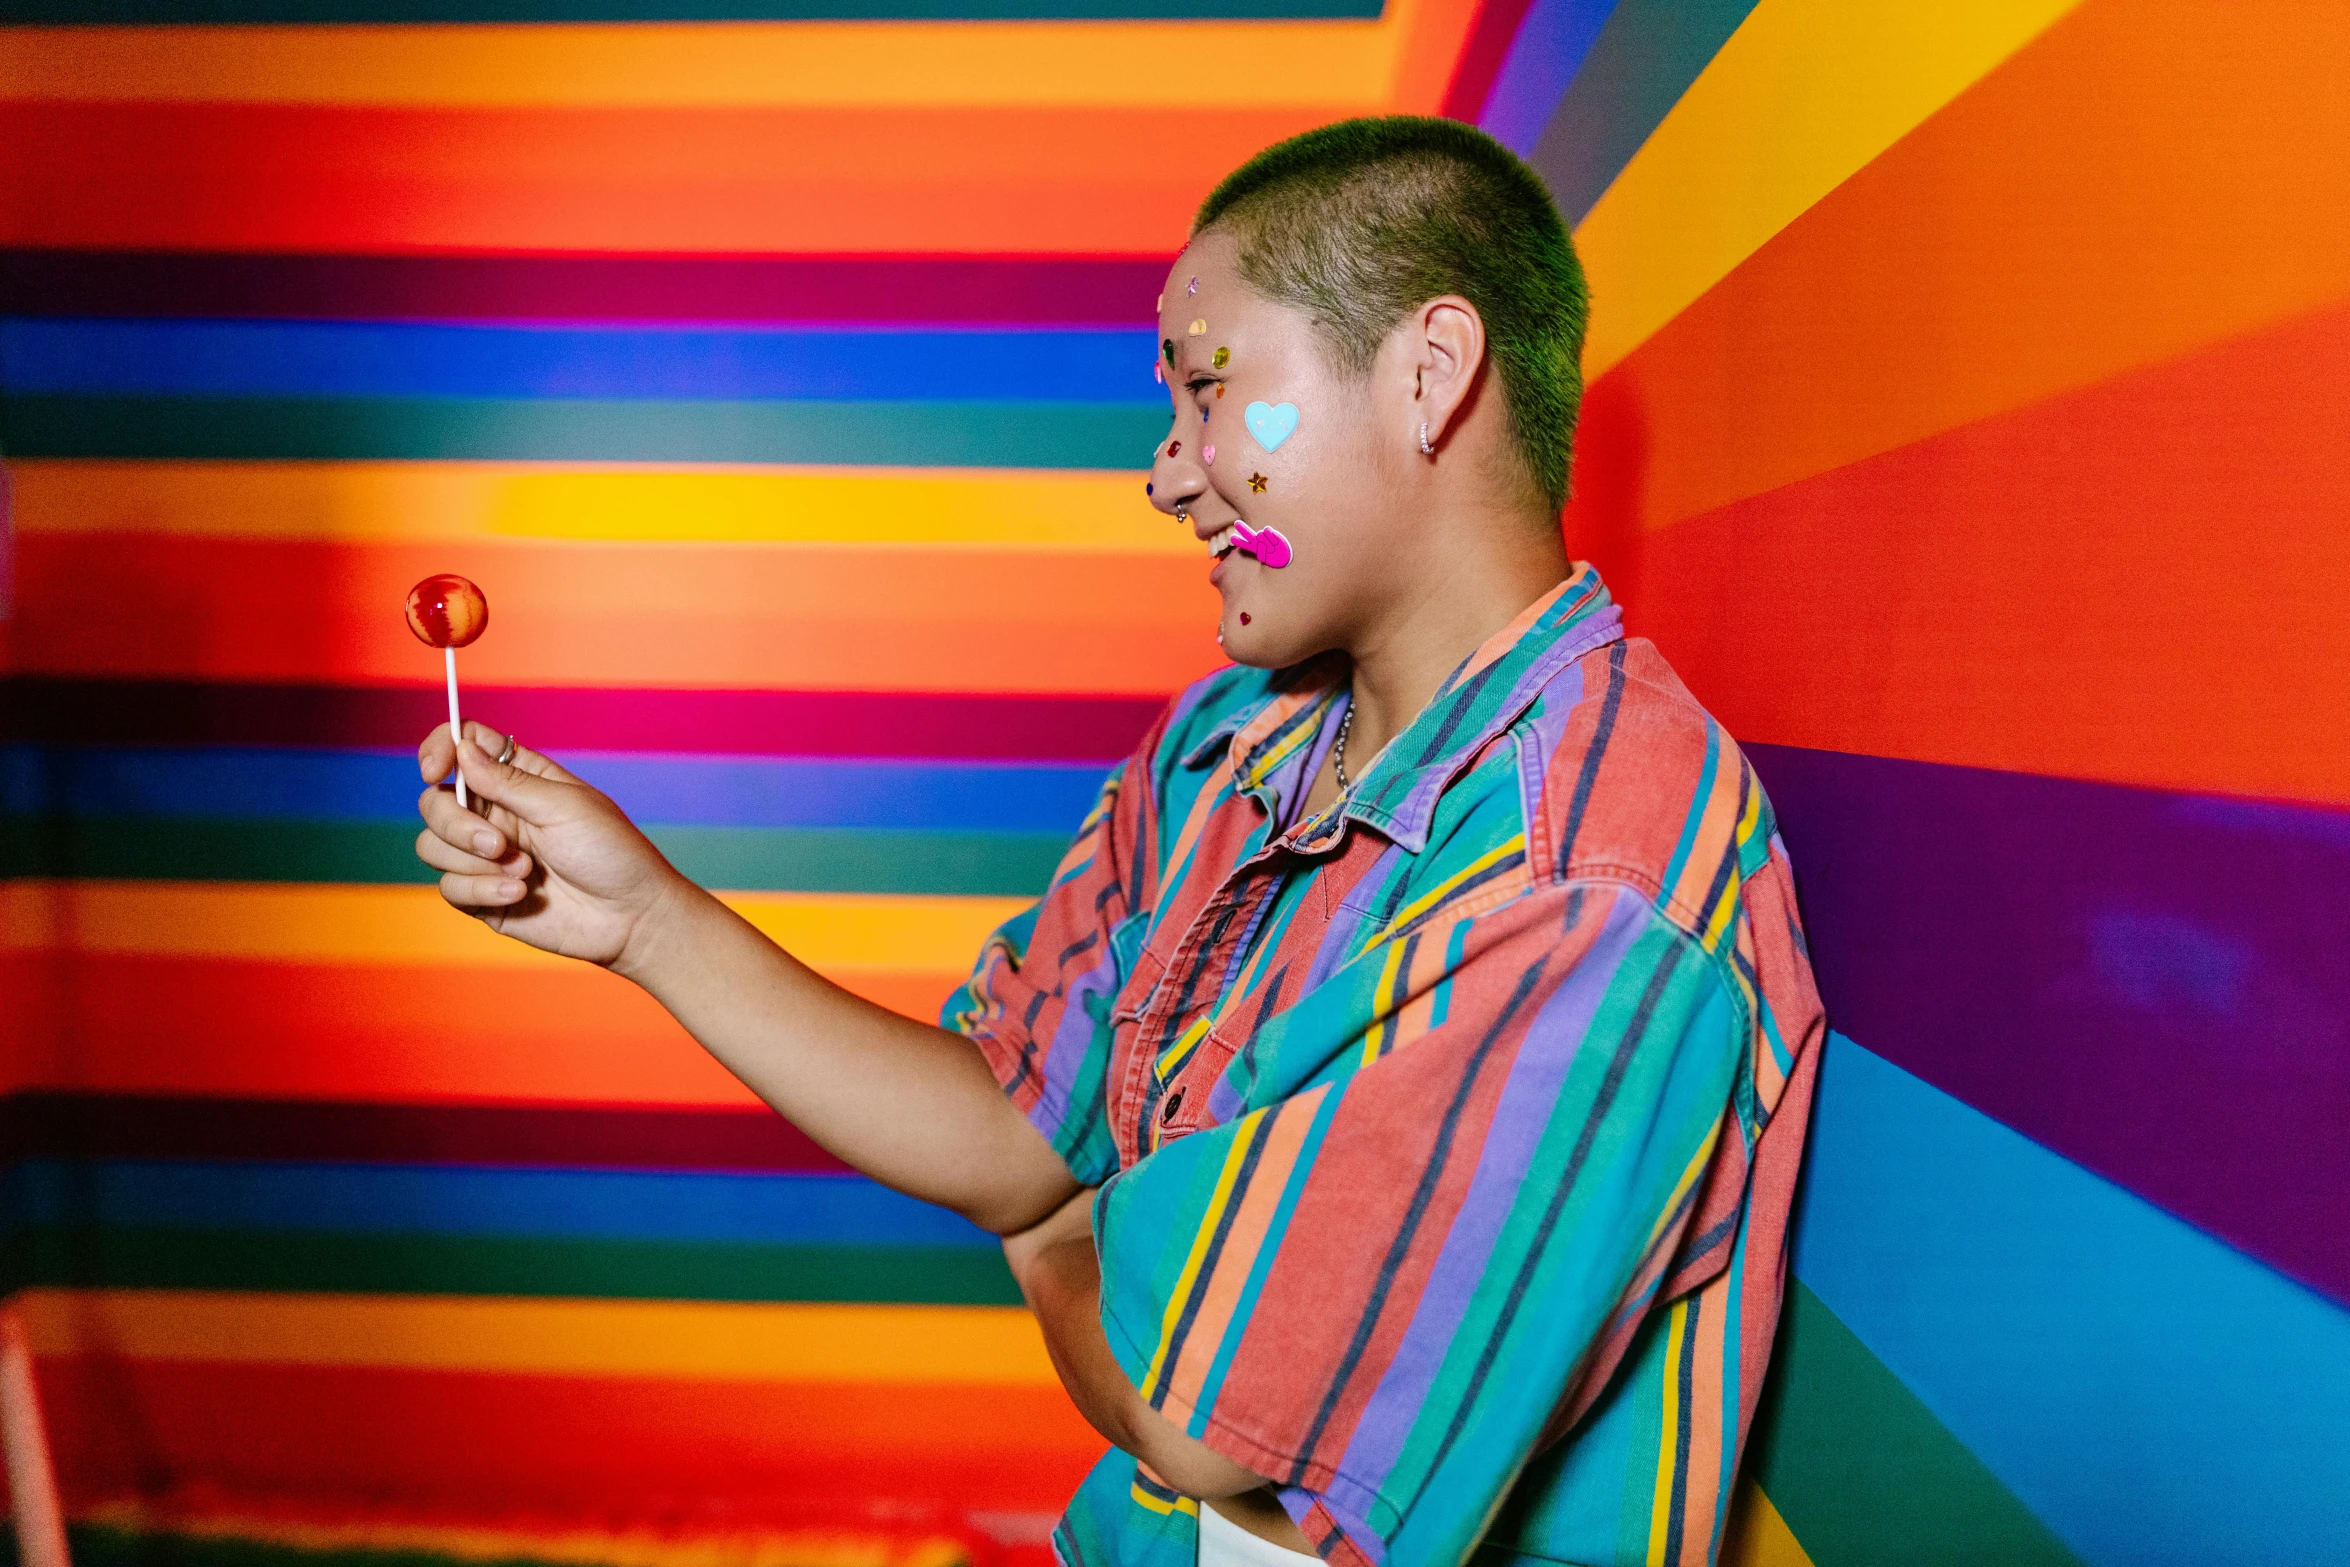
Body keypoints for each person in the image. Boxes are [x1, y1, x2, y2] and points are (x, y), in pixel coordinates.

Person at [414, 116, 1823, 1567]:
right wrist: (646, 919)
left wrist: (1057, 1247)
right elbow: (1013, 1131)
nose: (1166, 473)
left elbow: (1217, 1429)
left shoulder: (1583, 878)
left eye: (1211, 391)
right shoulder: (1230, 739)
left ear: (1429, 372)